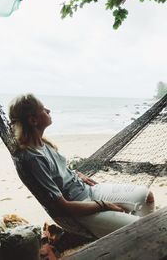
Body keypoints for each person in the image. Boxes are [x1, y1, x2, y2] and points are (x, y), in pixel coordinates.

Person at [9, 93, 155, 238]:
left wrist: (77, 174)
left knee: (147, 196)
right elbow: (64, 206)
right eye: (43, 109)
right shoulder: (33, 159)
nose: (48, 110)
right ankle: (139, 237)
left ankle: (136, 238)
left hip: (88, 190)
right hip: (80, 208)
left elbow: (58, 172)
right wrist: (104, 205)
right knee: (145, 228)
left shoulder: (43, 143)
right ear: (33, 120)